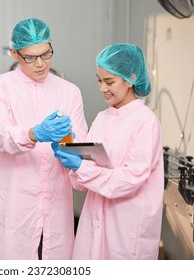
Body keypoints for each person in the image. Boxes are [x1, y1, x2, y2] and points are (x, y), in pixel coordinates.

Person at [0, 17, 88, 260]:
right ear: (14, 54)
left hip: (56, 199)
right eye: (30, 57)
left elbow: (81, 137)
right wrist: (34, 133)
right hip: (15, 201)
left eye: (46, 54)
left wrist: (69, 142)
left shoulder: (69, 91)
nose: (40, 63)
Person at [52, 43, 164, 260]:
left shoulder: (145, 121)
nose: (102, 88)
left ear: (130, 79)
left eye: (109, 81)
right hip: (96, 217)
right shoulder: (103, 117)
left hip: (127, 225)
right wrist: (72, 150)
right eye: (99, 80)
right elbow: (85, 177)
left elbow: (130, 178)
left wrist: (82, 166)